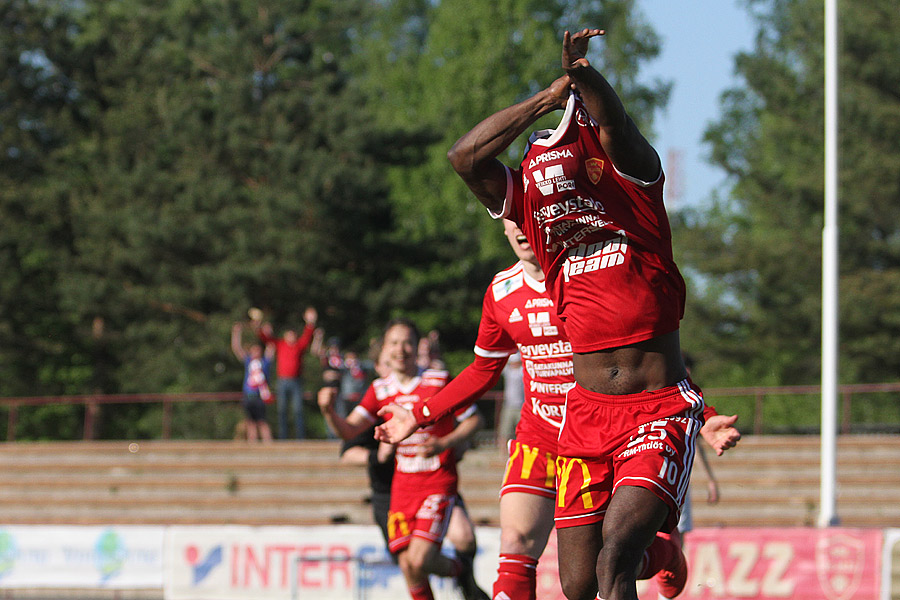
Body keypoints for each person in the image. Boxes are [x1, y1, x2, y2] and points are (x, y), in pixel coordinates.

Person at [440, 28, 739, 600]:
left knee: (613, 560)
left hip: (655, 413)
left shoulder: (637, 195)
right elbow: (465, 157)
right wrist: (543, 102)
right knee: (577, 585)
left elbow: (615, 126)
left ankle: (645, 548)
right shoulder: (542, 231)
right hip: (583, 419)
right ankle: (662, 551)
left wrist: (580, 73)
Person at [376, 221, 741, 600]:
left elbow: (651, 361)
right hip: (541, 435)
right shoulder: (502, 292)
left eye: (526, 217)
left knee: (603, 566)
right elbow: (483, 370)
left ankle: (663, 554)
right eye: (510, 220)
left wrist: (704, 414)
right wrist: (419, 414)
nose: (519, 228)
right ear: (502, 229)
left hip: (602, 435)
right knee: (517, 540)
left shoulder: (588, 277)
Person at [317, 318, 490, 600]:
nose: (401, 349)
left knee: (420, 559)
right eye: (394, 343)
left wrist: (444, 443)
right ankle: (462, 575)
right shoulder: (380, 389)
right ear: (385, 349)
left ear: (418, 345)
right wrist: (327, 411)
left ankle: (463, 575)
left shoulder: (438, 380)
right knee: (409, 566)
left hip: (437, 484)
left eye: (407, 342)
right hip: (401, 490)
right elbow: (349, 430)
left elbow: (475, 421)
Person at [252, 307, 318, 439]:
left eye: (293, 335)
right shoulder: (280, 344)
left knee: (298, 410)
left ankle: (300, 438)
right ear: (285, 336)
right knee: (282, 411)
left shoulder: (299, 345)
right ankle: (283, 438)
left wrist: (310, 323)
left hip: (296, 381)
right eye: (289, 335)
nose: (291, 337)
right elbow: (265, 338)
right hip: (283, 381)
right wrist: (258, 326)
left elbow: (307, 336)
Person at [231, 321, 275, 442]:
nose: (256, 352)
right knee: (250, 423)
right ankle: (253, 446)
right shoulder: (248, 361)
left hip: (260, 395)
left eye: (258, 350)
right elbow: (236, 348)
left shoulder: (265, 362)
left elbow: (271, 347)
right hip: (249, 395)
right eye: (254, 350)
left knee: (262, 422)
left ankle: (269, 445)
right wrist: (236, 333)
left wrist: (268, 334)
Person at [497, 352, 524, 447]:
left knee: (522, 432)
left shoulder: (522, 371)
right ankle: (502, 455)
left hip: (521, 406)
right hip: (508, 406)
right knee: (504, 432)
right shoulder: (508, 370)